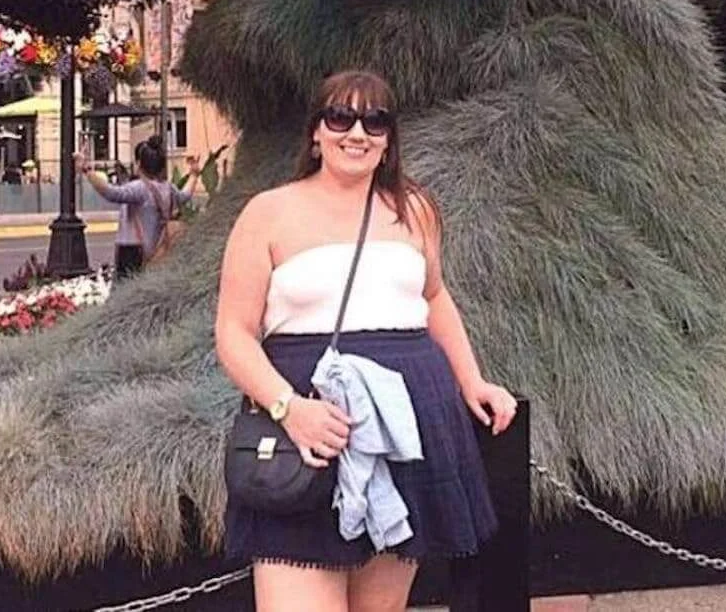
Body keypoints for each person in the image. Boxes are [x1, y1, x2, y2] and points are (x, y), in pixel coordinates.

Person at [215, 70, 517, 611]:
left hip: (404, 427)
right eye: (341, 117)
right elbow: (233, 333)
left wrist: (472, 380)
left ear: (388, 138)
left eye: (375, 121)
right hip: (312, 430)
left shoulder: (415, 209)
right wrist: (289, 409)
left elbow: (434, 297)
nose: (357, 132)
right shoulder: (268, 213)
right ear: (316, 132)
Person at [76, 136, 200, 279]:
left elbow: (110, 193)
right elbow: (184, 196)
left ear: (139, 164)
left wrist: (87, 170)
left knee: (127, 290)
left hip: (132, 251)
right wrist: (194, 175)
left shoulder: (138, 189)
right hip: (158, 251)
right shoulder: (168, 188)